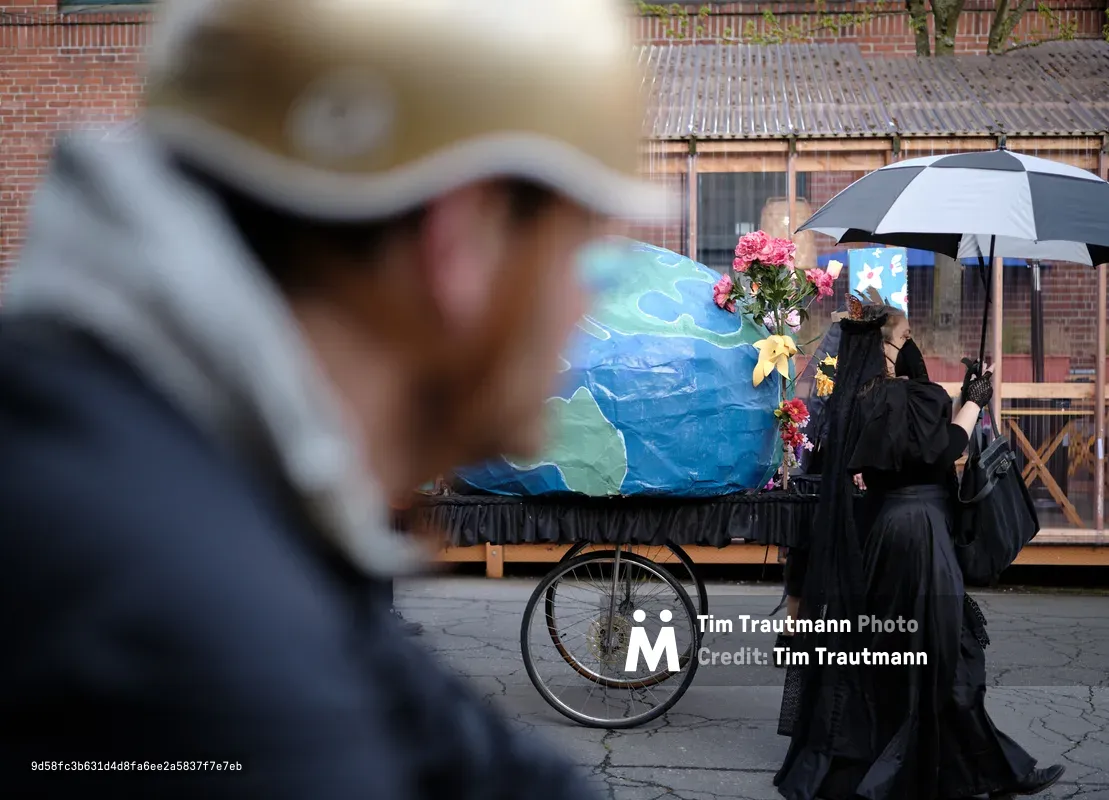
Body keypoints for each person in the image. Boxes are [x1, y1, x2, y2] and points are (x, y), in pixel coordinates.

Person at [0, 0, 670, 796]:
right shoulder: (205, 643)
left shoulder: (178, 470)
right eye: (585, 254)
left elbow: (449, 743)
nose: (583, 308)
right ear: (461, 240)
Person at [775, 298, 1064, 799]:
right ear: (881, 345)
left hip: (890, 532)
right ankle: (977, 772)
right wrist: (975, 399)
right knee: (944, 653)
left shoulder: (858, 400)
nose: (910, 344)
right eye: (903, 335)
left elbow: (906, 450)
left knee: (903, 652)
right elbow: (942, 449)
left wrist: (961, 399)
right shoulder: (903, 398)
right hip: (921, 534)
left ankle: (976, 769)